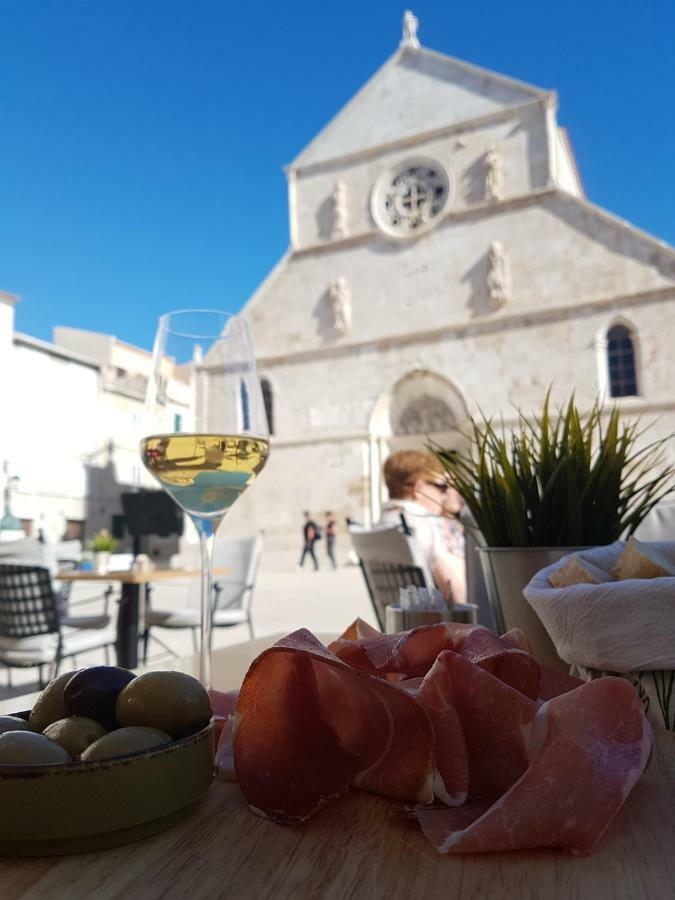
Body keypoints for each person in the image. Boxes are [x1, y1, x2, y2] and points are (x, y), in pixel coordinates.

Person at [377, 450, 467, 604]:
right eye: (441, 487)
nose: (444, 495)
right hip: (436, 622)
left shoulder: (383, 523)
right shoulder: (426, 524)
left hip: (401, 619)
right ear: (419, 489)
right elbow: (455, 594)